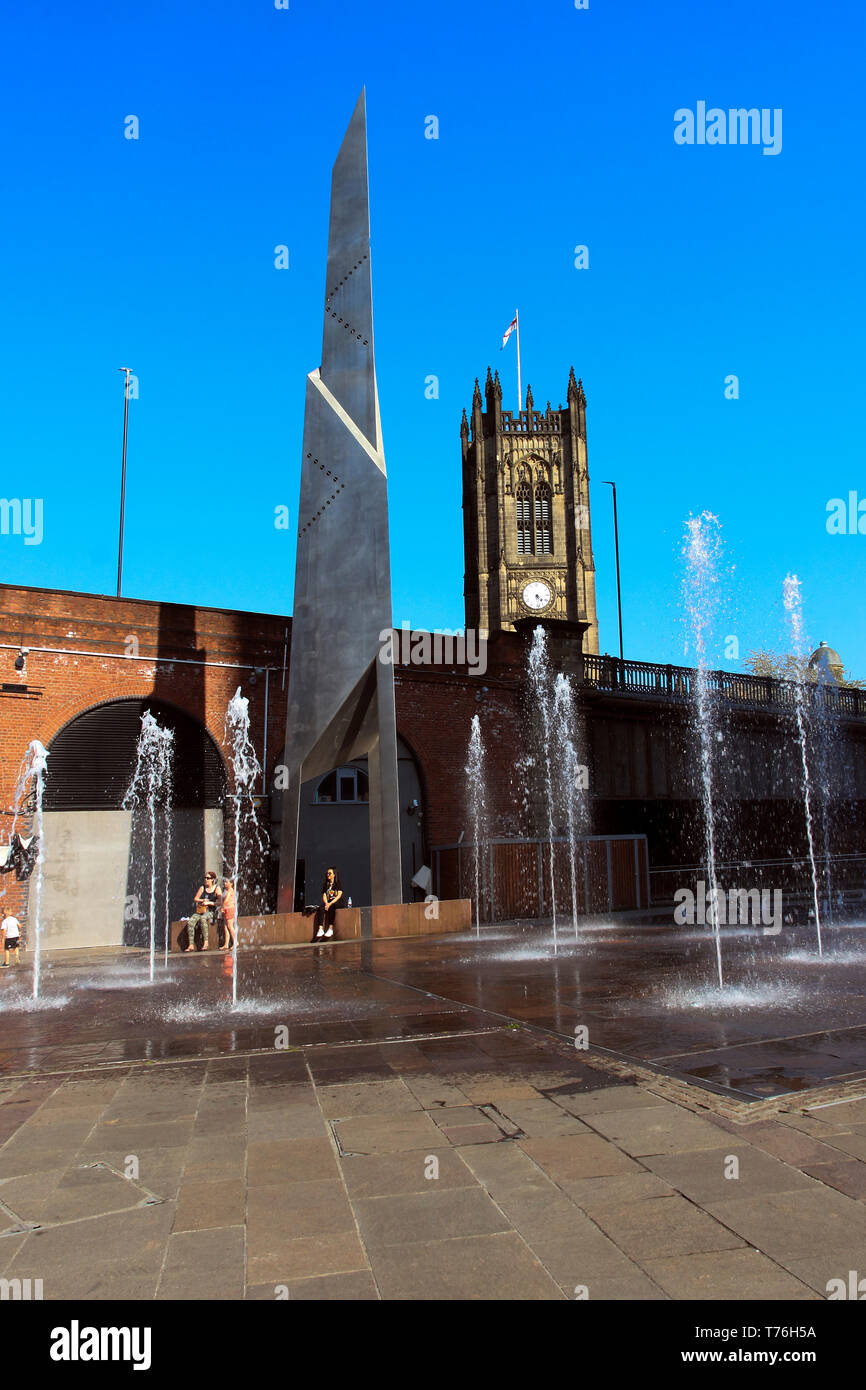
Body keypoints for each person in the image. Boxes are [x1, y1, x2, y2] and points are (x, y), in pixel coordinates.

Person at [187, 871, 222, 952]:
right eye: (205, 878)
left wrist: (209, 902)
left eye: (208, 878)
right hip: (201, 910)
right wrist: (202, 900)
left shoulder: (217, 888)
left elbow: (220, 902)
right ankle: (191, 944)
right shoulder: (202, 888)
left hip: (211, 911)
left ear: (213, 879)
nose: (206, 879)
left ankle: (206, 943)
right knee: (190, 922)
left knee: (203, 918)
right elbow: (195, 898)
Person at [311, 867, 343, 941]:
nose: (328, 875)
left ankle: (330, 928)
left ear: (334, 875)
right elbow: (324, 895)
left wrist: (330, 903)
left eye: (330, 873)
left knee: (332, 907)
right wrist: (326, 903)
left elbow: (339, 895)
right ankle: (320, 929)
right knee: (321, 908)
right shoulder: (326, 884)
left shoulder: (338, 883)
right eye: (327, 873)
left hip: (336, 902)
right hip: (328, 902)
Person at [222, 878, 236, 951]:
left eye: (227, 882)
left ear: (231, 884)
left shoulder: (230, 890)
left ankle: (235, 942)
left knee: (230, 926)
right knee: (225, 926)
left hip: (230, 909)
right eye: (224, 882)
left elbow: (226, 900)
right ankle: (226, 944)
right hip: (226, 909)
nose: (225, 884)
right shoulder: (225, 890)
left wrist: (221, 906)